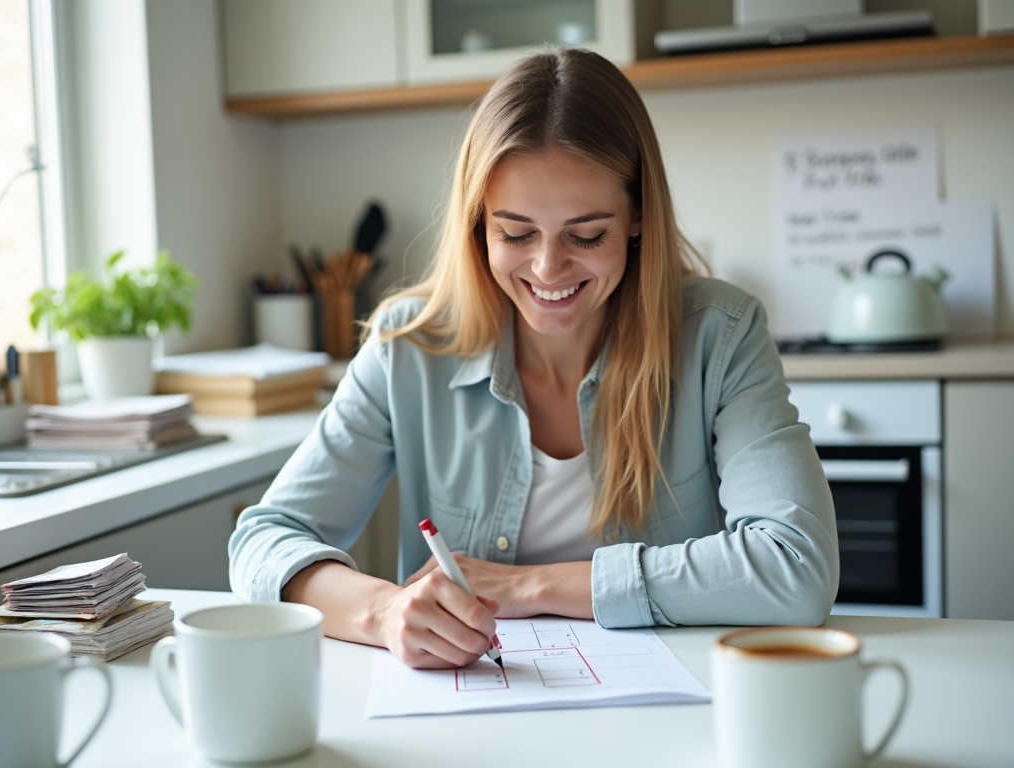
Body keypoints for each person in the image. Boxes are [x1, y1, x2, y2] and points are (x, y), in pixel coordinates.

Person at [229, 48, 839, 670]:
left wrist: (528, 586)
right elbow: (262, 541)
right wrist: (383, 612)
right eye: (516, 233)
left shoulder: (722, 335)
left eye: (586, 234)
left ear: (637, 217)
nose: (548, 269)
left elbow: (797, 566)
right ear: (478, 225)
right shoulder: (408, 347)